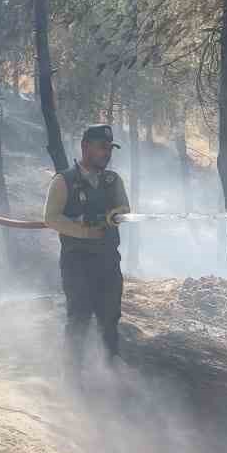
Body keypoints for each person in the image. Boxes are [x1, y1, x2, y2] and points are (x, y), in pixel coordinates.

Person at [45, 125, 131, 361]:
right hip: (77, 264)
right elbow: (51, 218)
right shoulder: (64, 181)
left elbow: (125, 209)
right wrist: (83, 231)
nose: (107, 153)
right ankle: (72, 379)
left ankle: (112, 373)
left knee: (110, 320)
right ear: (85, 146)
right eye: (102, 147)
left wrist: (116, 214)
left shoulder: (113, 181)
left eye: (109, 148)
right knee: (79, 319)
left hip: (108, 264)